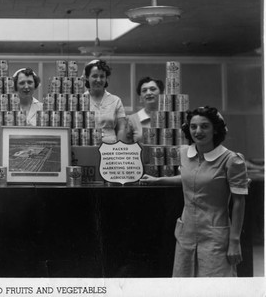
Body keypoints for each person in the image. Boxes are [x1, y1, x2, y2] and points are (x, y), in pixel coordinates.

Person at [141, 106, 248, 277]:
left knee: (214, 288)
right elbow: (189, 179)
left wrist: (235, 241)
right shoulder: (184, 153)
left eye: (205, 126)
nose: (198, 131)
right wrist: (159, 180)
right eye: (193, 126)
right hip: (186, 235)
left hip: (216, 236)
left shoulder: (231, 160)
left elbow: (239, 202)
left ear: (215, 130)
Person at [83, 59, 127, 143]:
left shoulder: (116, 100)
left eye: (102, 76)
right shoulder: (80, 100)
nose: (98, 80)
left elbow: (122, 128)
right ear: (87, 77)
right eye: (94, 76)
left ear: (106, 78)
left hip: (110, 150)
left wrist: (119, 148)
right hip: (87, 147)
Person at [126, 76, 165, 143]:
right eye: (144, 90)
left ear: (162, 94)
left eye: (153, 89)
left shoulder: (172, 118)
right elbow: (127, 147)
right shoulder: (131, 120)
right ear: (140, 97)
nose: (148, 93)